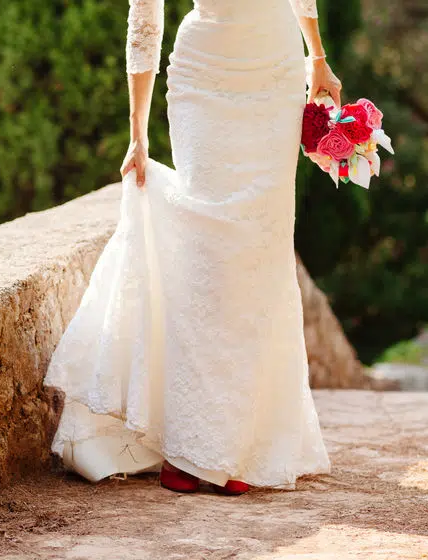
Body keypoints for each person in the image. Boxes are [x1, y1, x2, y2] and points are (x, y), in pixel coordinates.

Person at [43, 0, 343, 495]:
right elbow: (144, 19)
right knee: (209, 258)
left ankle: (243, 445)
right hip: (204, 76)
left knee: (257, 255)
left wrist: (316, 56)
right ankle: (190, 442)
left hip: (274, 69)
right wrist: (137, 132)